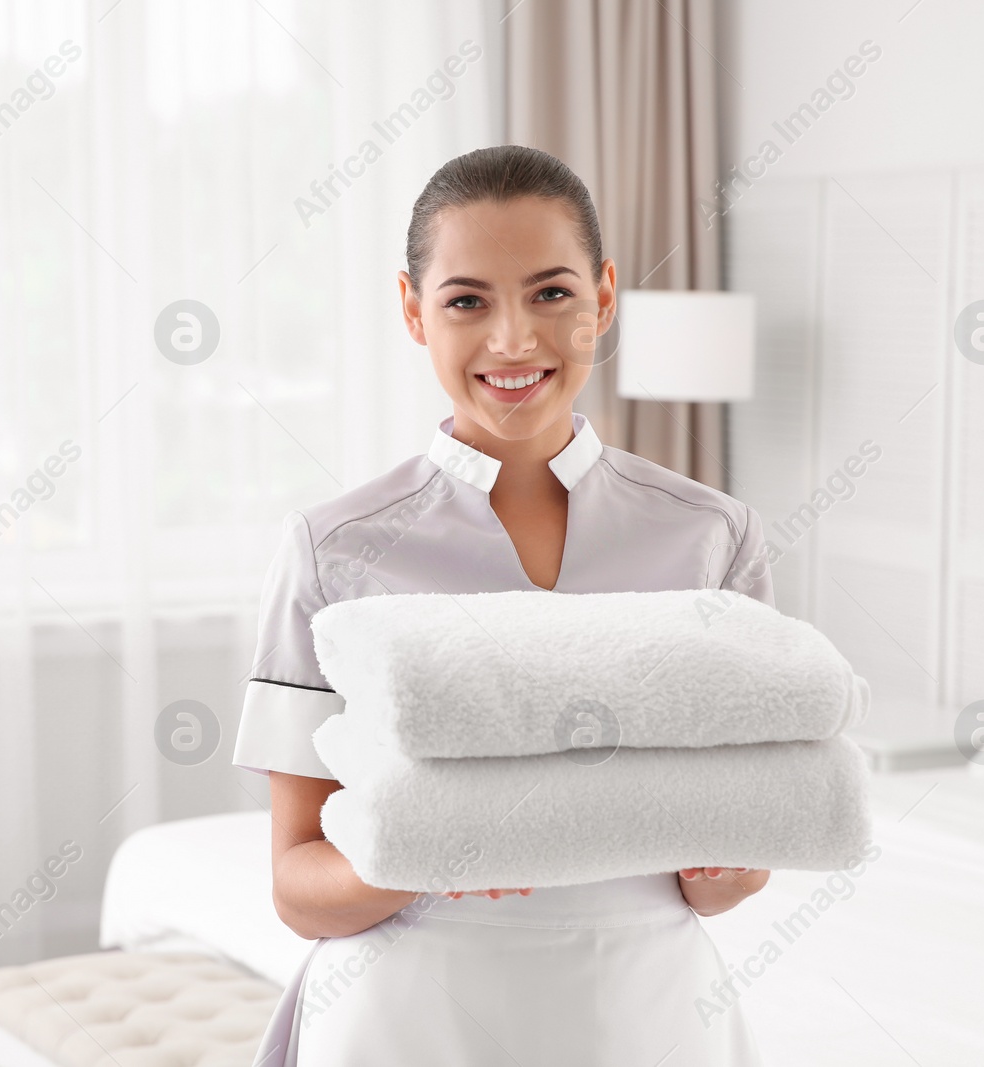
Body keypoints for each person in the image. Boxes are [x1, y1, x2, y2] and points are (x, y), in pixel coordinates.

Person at [232, 144, 774, 1066]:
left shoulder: (713, 536)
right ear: (414, 311)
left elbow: (733, 870)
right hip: (407, 1021)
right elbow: (295, 883)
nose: (514, 340)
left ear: (604, 296)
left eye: (552, 293)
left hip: (644, 1014)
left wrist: (722, 860)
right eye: (467, 300)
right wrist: (439, 846)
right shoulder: (334, 547)